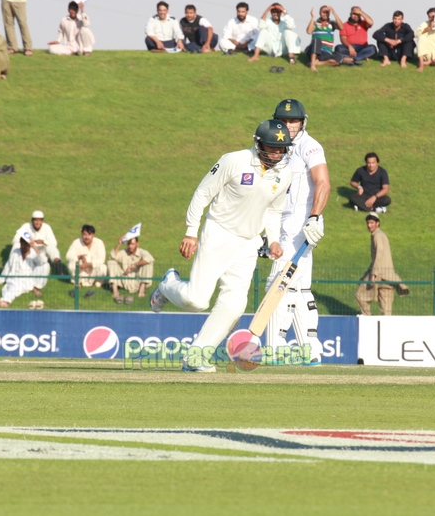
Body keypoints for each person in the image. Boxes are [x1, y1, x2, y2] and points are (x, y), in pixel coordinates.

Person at [149, 120, 294, 372]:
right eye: (271, 148)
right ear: (258, 143)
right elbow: (202, 193)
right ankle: (168, 284)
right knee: (196, 301)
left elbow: (273, 209)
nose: (276, 154)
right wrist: (191, 233)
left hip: (248, 243)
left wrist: (272, 240)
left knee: (234, 304)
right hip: (218, 233)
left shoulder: (285, 174)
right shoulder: (233, 161)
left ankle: (195, 358)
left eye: (281, 149)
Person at [264, 99, 330, 364]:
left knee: (278, 280)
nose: (290, 126)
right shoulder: (275, 145)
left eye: (295, 121)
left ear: (304, 121)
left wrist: (314, 217)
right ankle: (310, 349)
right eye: (285, 120)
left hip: (300, 222)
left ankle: (273, 346)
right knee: (299, 285)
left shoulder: (309, 146)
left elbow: (323, 182)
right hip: (279, 221)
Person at [355, 211, 409, 316]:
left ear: (377, 223)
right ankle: (386, 330)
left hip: (379, 275)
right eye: (368, 223)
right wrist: (365, 275)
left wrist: (373, 275)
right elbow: (378, 259)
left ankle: (368, 321)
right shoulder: (381, 235)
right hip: (389, 277)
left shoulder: (377, 236)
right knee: (386, 310)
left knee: (360, 296)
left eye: (371, 223)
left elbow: (378, 256)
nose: (369, 225)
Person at [0, 233, 48, 308]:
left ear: (29, 244)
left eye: (26, 244)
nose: (24, 246)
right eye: (22, 244)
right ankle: (4, 301)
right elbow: (8, 265)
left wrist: (34, 246)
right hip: (14, 278)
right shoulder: (16, 252)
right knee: (6, 288)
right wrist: (0, 279)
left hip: (26, 280)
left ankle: (5, 301)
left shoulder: (33, 253)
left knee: (14, 288)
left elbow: (43, 261)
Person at [12, 211, 61, 291]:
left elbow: (54, 242)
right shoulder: (26, 227)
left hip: (42, 251)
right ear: (32, 220)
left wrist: (43, 241)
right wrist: (29, 242)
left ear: (42, 221)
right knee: (15, 247)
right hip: (30, 251)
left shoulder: (47, 227)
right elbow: (15, 240)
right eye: (35, 220)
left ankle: (58, 266)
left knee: (52, 248)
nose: (38, 222)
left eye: (40, 220)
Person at [305, 6, 354, 71]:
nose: (325, 14)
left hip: (326, 52)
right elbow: (309, 31)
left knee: (339, 59)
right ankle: (313, 65)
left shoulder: (331, 23)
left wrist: (334, 12)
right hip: (314, 50)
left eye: (327, 12)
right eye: (323, 12)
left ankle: (317, 63)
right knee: (317, 40)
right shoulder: (316, 23)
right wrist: (313, 17)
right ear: (320, 13)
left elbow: (341, 27)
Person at [108, 237, 155, 303]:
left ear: (137, 244)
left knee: (148, 263)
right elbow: (112, 256)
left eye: (132, 244)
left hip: (138, 280)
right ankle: (115, 291)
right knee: (111, 262)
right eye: (128, 244)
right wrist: (119, 243)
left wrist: (134, 265)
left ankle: (141, 291)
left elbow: (150, 258)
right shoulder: (124, 252)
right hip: (124, 279)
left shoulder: (142, 252)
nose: (130, 246)